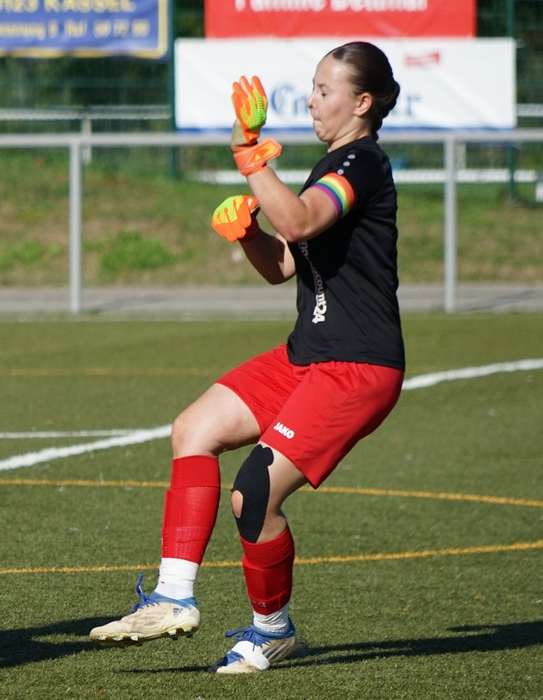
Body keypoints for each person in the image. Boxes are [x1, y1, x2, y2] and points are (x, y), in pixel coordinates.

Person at [90, 41, 406, 674]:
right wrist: (249, 235)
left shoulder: (362, 162)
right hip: (306, 353)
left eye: (324, 90)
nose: (311, 100)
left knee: (254, 492)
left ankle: (272, 631)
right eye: (312, 88)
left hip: (357, 366)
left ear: (362, 103)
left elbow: (300, 222)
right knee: (194, 428)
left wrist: (249, 155)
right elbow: (285, 262)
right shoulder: (330, 164)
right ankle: (173, 597)